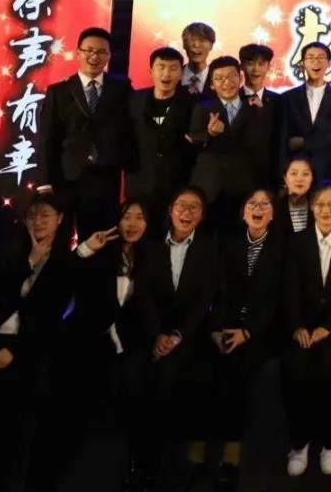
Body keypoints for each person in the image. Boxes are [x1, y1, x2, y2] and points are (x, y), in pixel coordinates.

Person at [37, 201, 154, 492]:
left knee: (128, 404)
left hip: (128, 346)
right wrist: (86, 249)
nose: (133, 223)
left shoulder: (152, 258)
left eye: (140, 217)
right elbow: (63, 280)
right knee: (71, 413)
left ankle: (131, 471)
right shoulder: (100, 252)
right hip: (86, 342)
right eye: (127, 217)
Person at [191, 189, 285, 492]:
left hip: (259, 331)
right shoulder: (228, 243)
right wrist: (216, 329)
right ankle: (197, 455)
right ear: (243, 212)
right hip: (224, 325)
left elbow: (275, 300)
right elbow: (217, 290)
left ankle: (230, 460)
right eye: (252, 204)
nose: (258, 208)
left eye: (264, 204)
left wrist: (247, 332)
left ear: (272, 214)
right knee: (204, 371)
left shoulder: (281, 248)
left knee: (237, 375)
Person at [136, 187, 218, 487]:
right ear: (170, 210)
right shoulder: (150, 247)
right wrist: (157, 335)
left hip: (188, 336)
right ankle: (148, 465)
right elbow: (144, 296)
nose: (187, 212)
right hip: (152, 333)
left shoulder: (208, 249)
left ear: (202, 215)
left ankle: (173, 467)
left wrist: (177, 335)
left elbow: (204, 299)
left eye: (194, 207)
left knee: (184, 385)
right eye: (182, 206)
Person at [0, 194, 75, 492]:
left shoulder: (66, 261)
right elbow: (0, 296)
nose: (38, 222)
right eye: (33, 216)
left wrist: (14, 349)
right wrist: (30, 262)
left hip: (35, 345)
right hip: (0, 336)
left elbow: (50, 314)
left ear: (60, 219)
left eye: (46, 216)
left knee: (31, 398)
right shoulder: (11, 252)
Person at [282, 182, 331, 479]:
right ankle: (299, 442)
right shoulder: (297, 241)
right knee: (294, 370)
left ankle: (330, 442)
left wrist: (328, 327)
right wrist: (298, 326)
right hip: (302, 326)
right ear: (312, 208)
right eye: (320, 205)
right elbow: (289, 288)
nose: (326, 210)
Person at [37, 27, 132, 236]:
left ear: (109, 56)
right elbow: (47, 139)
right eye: (89, 50)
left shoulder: (121, 89)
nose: (94, 56)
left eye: (101, 52)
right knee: (59, 238)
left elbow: (130, 131)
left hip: (106, 180)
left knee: (99, 241)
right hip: (66, 179)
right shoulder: (58, 91)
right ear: (78, 53)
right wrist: (44, 183)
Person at [188, 56, 270, 228]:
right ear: (212, 84)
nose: (227, 82)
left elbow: (258, 143)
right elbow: (193, 139)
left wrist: (262, 114)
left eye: (232, 76)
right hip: (209, 186)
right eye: (219, 78)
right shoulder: (202, 107)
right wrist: (210, 133)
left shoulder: (254, 107)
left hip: (243, 185)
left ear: (240, 78)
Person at [127, 47, 196, 230]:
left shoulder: (192, 103)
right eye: (161, 67)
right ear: (151, 70)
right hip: (140, 184)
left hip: (177, 186)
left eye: (173, 68)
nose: (166, 74)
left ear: (181, 73)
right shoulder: (133, 100)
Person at [280, 42, 331, 185]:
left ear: (329, 63)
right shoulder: (287, 98)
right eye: (310, 58)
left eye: (321, 57)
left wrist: (304, 142)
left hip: (330, 174)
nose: (316, 62)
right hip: (296, 176)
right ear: (302, 63)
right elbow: (284, 140)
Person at [238, 43, 283, 190]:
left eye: (261, 64)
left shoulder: (279, 101)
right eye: (250, 63)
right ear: (242, 66)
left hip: (268, 176)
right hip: (236, 175)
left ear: (269, 66)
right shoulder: (231, 98)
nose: (255, 69)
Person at [276, 155, 315, 238]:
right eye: (294, 173)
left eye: (305, 174)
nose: (299, 179)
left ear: (312, 178)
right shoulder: (275, 206)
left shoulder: (318, 205)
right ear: (285, 178)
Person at [180, 22, 216, 95]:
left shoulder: (218, 79)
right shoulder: (173, 75)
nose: (197, 45)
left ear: (211, 45)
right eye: (192, 40)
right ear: (184, 44)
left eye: (202, 40)